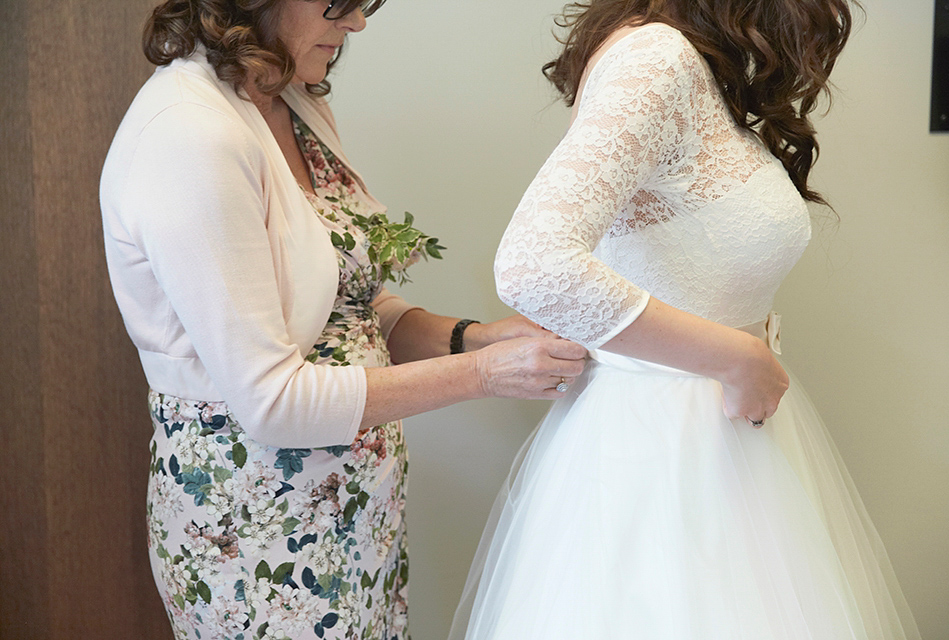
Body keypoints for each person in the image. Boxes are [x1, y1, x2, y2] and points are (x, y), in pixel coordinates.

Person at [99, 0, 588, 638]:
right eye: (340, 2)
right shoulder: (190, 136)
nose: (357, 24)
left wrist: (472, 337)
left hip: (356, 513)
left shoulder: (292, 103)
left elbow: (348, 303)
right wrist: (486, 373)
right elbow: (272, 400)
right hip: (257, 534)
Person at [449, 1, 923, 639]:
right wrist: (737, 357)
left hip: (712, 433)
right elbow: (536, 264)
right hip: (665, 449)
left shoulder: (688, 61)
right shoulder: (655, 59)